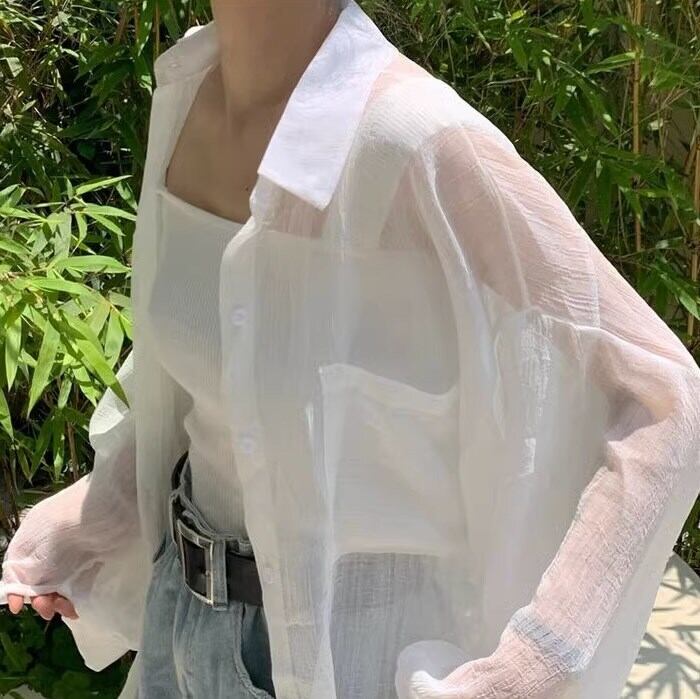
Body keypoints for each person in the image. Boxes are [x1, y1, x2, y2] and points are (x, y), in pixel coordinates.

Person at [2, 1, 699, 698]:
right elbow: (211, 377)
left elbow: (665, 395)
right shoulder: (187, 89)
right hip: (175, 624)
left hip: (332, 661)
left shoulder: (410, 139)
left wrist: (533, 664)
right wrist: (101, 513)